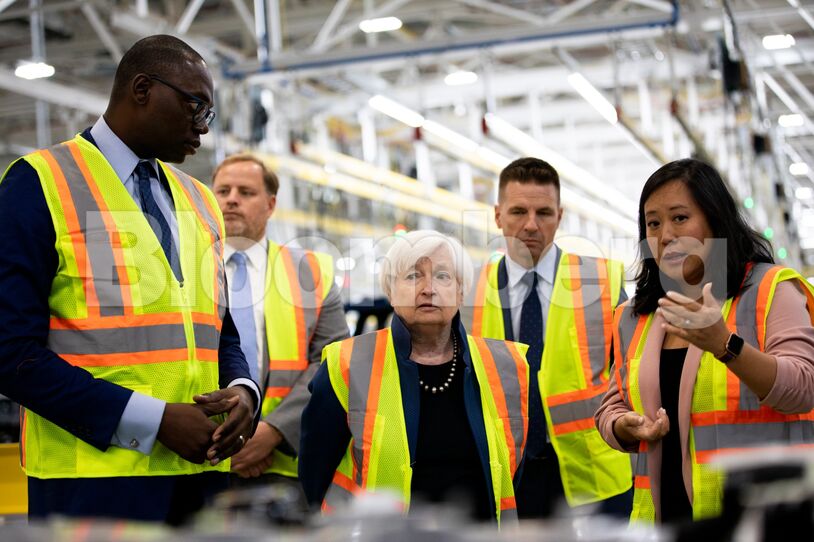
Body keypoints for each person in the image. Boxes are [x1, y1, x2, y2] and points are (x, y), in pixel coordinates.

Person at [0, 35, 260, 523]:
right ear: (142, 89)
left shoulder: (201, 202)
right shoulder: (37, 185)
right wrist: (152, 420)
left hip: (201, 479)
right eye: (196, 106)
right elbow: (11, 354)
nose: (204, 127)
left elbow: (217, 329)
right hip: (90, 486)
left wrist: (244, 389)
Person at [595, 158, 814, 524]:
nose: (665, 235)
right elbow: (611, 404)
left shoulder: (769, 291)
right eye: (653, 223)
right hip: (663, 523)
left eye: (680, 218)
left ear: (716, 220)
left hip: (757, 521)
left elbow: (804, 388)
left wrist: (725, 345)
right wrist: (622, 426)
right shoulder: (636, 315)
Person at [299, 230, 528, 527]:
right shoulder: (346, 363)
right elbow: (314, 474)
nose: (428, 288)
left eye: (443, 276)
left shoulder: (506, 365)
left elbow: (514, 471)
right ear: (390, 291)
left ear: (461, 291)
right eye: (412, 276)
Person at [460, 157, 632, 518]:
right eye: (518, 211)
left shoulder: (600, 283)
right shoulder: (468, 292)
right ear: (497, 216)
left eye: (544, 212)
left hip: (593, 476)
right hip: (505, 475)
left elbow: (632, 373)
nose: (531, 225)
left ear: (560, 215)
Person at [211, 155, 348, 491]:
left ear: (271, 205)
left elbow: (331, 360)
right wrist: (221, 442)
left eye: (246, 192)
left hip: (282, 460)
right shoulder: (182, 268)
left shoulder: (311, 273)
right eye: (223, 190)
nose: (231, 199)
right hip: (201, 455)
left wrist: (272, 432)